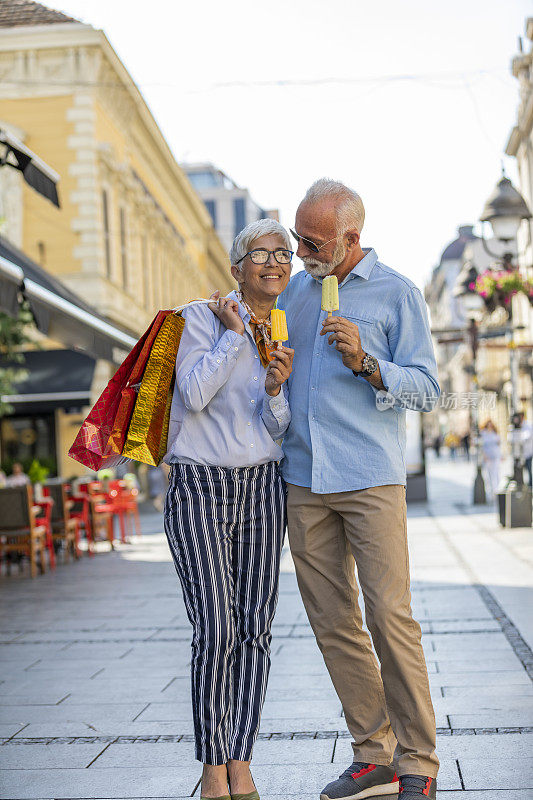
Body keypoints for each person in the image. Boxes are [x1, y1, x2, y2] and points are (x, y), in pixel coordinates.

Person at [271, 179, 440, 800]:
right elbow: (284, 389)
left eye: (312, 240)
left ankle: (419, 761)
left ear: (351, 238)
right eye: (297, 237)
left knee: (390, 616)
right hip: (304, 478)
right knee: (333, 622)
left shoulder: (398, 293)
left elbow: (427, 389)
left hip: (370, 477)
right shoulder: (294, 294)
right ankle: (375, 754)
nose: (301, 249)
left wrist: (369, 363)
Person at [163, 219, 294, 800]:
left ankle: (241, 758)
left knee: (254, 629)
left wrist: (273, 390)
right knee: (215, 629)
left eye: (283, 254)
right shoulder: (198, 317)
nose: (273, 262)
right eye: (259, 254)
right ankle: (213, 766)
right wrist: (234, 335)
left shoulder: (285, 331)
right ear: (236, 267)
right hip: (198, 486)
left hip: (263, 488)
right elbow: (192, 393)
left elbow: (275, 431)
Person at [480, 420, 501, 498]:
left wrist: (501, 455)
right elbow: (482, 446)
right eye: (488, 425)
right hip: (488, 457)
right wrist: (484, 456)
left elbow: (498, 445)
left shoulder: (495, 433)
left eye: (491, 425)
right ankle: (491, 492)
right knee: (489, 475)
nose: (490, 427)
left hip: (496, 456)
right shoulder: (483, 434)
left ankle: (497, 491)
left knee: (496, 473)